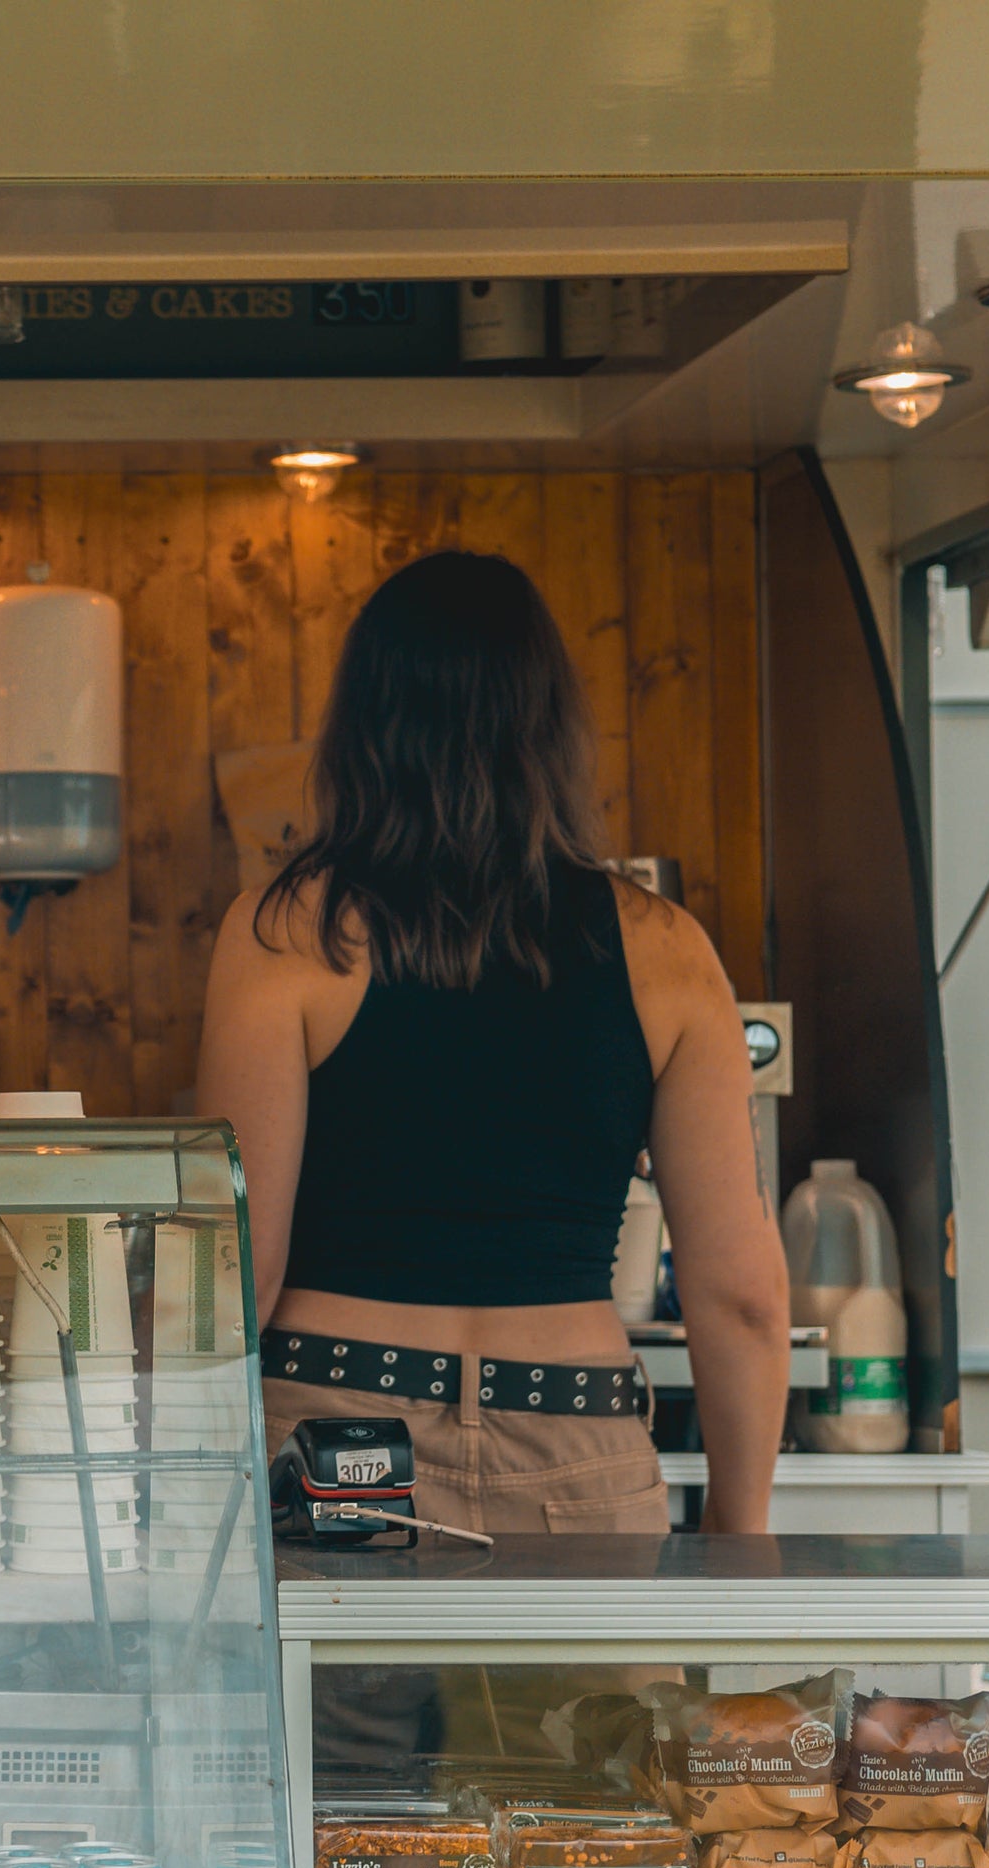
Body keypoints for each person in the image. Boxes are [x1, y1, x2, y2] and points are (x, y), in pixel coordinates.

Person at [197, 550, 786, 1535]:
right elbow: (740, 1300)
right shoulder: (666, 953)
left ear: (358, 729)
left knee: (322, 1696)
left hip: (337, 1430)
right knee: (583, 1702)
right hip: (573, 1441)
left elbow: (234, 1274)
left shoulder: (280, 935)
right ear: (551, 729)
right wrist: (739, 1534)